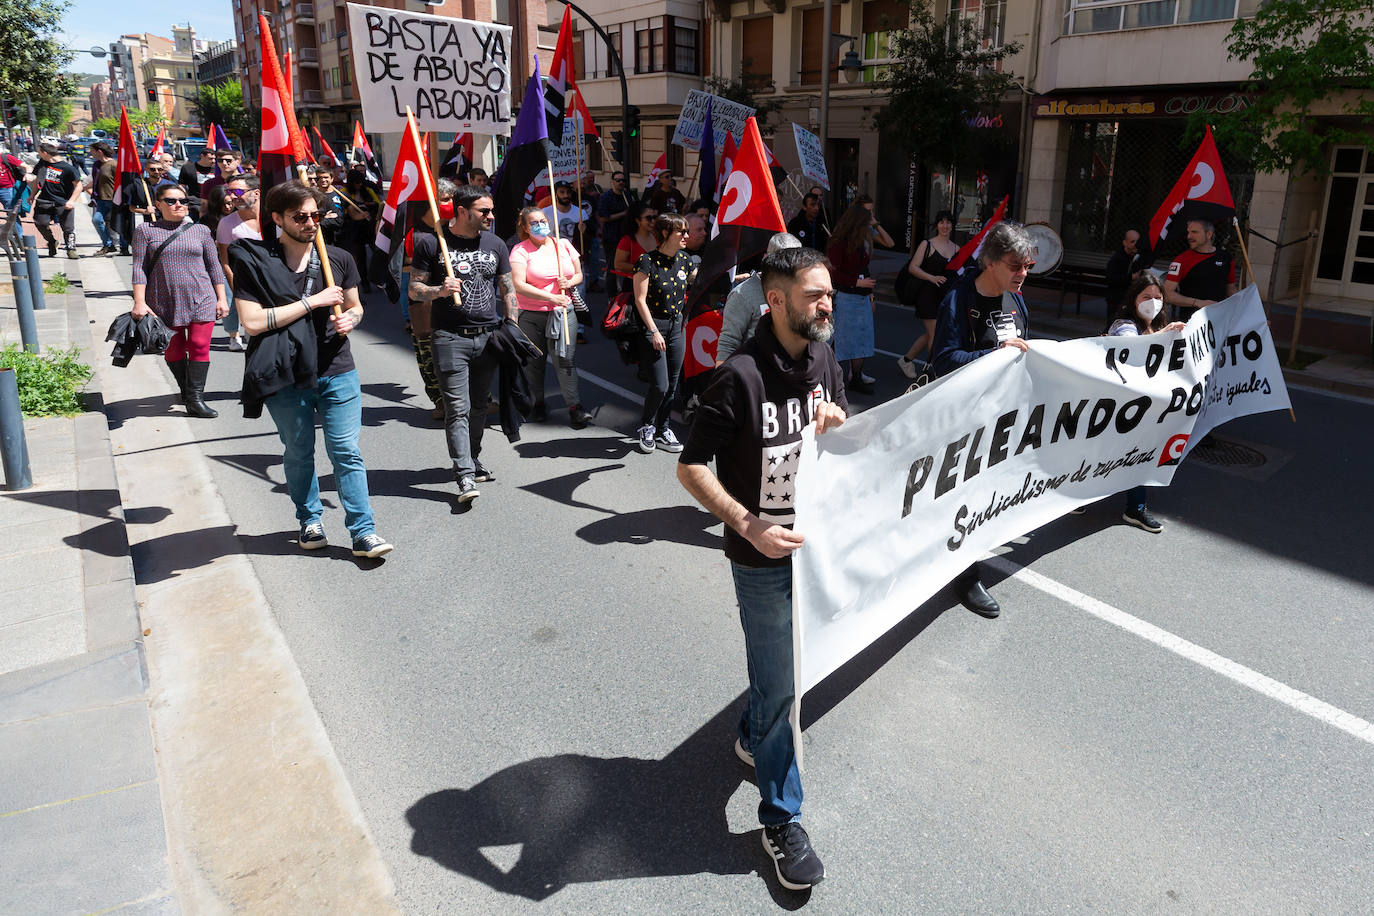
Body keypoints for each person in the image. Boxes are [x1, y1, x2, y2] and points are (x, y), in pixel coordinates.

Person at [676, 245, 846, 892]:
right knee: (780, 691)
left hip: (816, 551)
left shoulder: (824, 357)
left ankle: (751, 732)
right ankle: (781, 819)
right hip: (761, 560)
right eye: (813, 295)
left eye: (828, 293)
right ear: (774, 302)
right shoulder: (739, 378)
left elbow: (839, 436)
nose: (826, 304)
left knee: (788, 676)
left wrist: (835, 421)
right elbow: (690, 465)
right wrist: (746, 523)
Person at [228, 180, 393, 559]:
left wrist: (350, 320)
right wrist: (312, 302)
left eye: (315, 215)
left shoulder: (338, 258)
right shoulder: (255, 260)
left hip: (337, 367)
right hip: (286, 372)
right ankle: (310, 520)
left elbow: (355, 307)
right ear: (276, 218)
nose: (310, 223)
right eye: (300, 217)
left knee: (346, 450)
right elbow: (251, 322)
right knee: (299, 451)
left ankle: (363, 531)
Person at [930, 221, 1035, 619]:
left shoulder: (1016, 299)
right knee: (965, 495)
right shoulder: (958, 300)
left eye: (1026, 266)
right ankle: (966, 574)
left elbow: (1022, 349)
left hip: (1000, 417)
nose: (1022, 274)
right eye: (1014, 265)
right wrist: (995, 356)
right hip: (961, 419)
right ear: (990, 262)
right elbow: (943, 361)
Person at [409, 184, 517, 504]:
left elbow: (507, 288)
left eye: (492, 210)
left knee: (480, 405)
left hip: (487, 336)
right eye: (485, 211)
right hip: (449, 338)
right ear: (462, 211)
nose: (491, 216)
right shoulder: (431, 243)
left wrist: (511, 326)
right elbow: (414, 289)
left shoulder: (496, 243)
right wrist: (439, 291)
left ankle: (472, 455)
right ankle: (464, 473)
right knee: (458, 408)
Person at [130, 183, 227, 418]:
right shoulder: (146, 231)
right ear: (158, 205)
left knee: (199, 346)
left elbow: (214, 267)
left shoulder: (201, 230)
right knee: (173, 349)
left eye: (183, 201)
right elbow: (139, 269)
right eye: (172, 201)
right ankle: (185, 388)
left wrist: (222, 298)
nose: (179, 205)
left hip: (201, 297)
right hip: (163, 300)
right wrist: (139, 302)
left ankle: (195, 399)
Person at [1106, 273, 1185, 532]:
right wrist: (1163, 334)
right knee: (1110, 452)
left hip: (1144, 408)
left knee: (1137, 454)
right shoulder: (1124, 324)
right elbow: (1133, 347)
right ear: (1133, 299)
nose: (1153, 302)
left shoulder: (1160, 325)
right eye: (1146, 297)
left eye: (1157, 297)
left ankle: (1135, 508)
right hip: (1117, 405)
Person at [509, 206, 592, 428]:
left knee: (565, 359)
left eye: (543, 220)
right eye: (534, 223)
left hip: (563, 313)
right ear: (525, 228)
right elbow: (519, 284)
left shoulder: (563, 245)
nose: (540, 225)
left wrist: (570, 282)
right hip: (531, 315)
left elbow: (579, 274)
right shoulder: (520, 250)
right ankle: (537, 402)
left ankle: (575, 407)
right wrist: (550, 297)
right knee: (534, 362)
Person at [631, 213, 693, 454]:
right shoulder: (647, 261)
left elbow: (700, 281)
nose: (687, 236)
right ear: (666, 234)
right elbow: (639, 299)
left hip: (677, 327)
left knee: (674, 384)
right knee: (660, 385)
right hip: (654, 327)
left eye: (687, 231)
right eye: (681, 232)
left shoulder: (685, 260)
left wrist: (735, 276)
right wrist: (654, 331)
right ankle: (647, 425)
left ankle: (663, 429)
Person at [826, 198, 893, 394]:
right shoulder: (839, 242)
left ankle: (855, 378)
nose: (870, 221)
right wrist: (856, 282)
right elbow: (833, 271)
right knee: (840, 340)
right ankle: (830, 378)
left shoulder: (860, 239)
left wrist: (869, 294)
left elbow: (865, 267)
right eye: (867, 218)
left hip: (861, 296)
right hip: (846, 296)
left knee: (862, 339)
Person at [716, 232, 803, 365]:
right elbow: (728, 343)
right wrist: (724, 382)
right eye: (785, 262)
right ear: (767, 259)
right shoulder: (742, 294)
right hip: (755, 374)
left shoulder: (799, 290)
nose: (790, 269)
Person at [897, 209, 959, 378]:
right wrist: (931, 278)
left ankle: (907, 360)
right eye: (941, 222)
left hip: (945, 297)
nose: (945, 226)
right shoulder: (927, 244)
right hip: (927, 295)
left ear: (952, 226)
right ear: (936, 225)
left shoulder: (956, 249)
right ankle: (935, 371)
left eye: (948, 222)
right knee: (934, 334)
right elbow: (913, 268)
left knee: (932, 333)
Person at [216, 176, 261, 353]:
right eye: (229, 192)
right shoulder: (227, 224)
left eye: (238, 192)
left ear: (256, 193)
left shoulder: (273, 219)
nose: (232, 196)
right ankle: (234, 335)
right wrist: (237, 288)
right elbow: (225, 260)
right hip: (242, 280)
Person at [1164, 218, 1237, 320]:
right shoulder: (1181, 260)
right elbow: (1167, 294)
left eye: (1194, 232)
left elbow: (1231, 290)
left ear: (1209, 234)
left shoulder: (1226, 258)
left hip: (1220, 321)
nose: (1189, 236)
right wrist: (1197, 303)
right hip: (1190, 324)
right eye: (1188, 232)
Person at [31, 142, 82, 258]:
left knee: (68, 228)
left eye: (39, 153)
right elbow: (36, 180)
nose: (39, 155)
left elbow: (79, 186)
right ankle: (52, 241)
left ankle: (71, 249)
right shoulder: (42, 164)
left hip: (63, 201)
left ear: (45, 153)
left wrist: (72, 200)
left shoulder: (68, 168)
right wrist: (32, 195)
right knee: (40, 223)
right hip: (44, 200)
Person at [597, 171, 634, 295]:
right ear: (612, 182)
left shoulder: (628, 196)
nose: (621, 183)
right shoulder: (605, 197)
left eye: (623, 180)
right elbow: (603, 217)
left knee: (629, 266)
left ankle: (626, 293)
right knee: (613, 267)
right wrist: (624, 214)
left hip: (627, 236)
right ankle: (612, 295)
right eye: (618, 180)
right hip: (612, 237)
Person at [612, 201, 658, 294]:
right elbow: (618, 265)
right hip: (633, 287)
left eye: (654, 217)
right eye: (648, 218)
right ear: (638, 220)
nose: (653, 221)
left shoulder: (658, 237)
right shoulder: (627, 240)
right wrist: (644, 269)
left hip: (655, 286)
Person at [1105, 228, 1149, 308]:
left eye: (1137, 242)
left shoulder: (1139, 256)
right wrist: (1131, 277)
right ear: (1125, 243)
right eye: (1132, 242)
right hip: (1117, 300)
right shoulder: (1117, 259)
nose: (1135, 245)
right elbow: (1111, 279)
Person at [89, 142, 119, 255]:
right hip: (101, 199)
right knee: (97, 220)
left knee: (117, 224)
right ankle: (108, 244)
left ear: (99, 151)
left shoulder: (114, 165)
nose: (90, 153)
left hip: (114, 200)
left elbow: (121, 182)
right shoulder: (96, 164)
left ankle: (124, 246)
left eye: (92, 150)